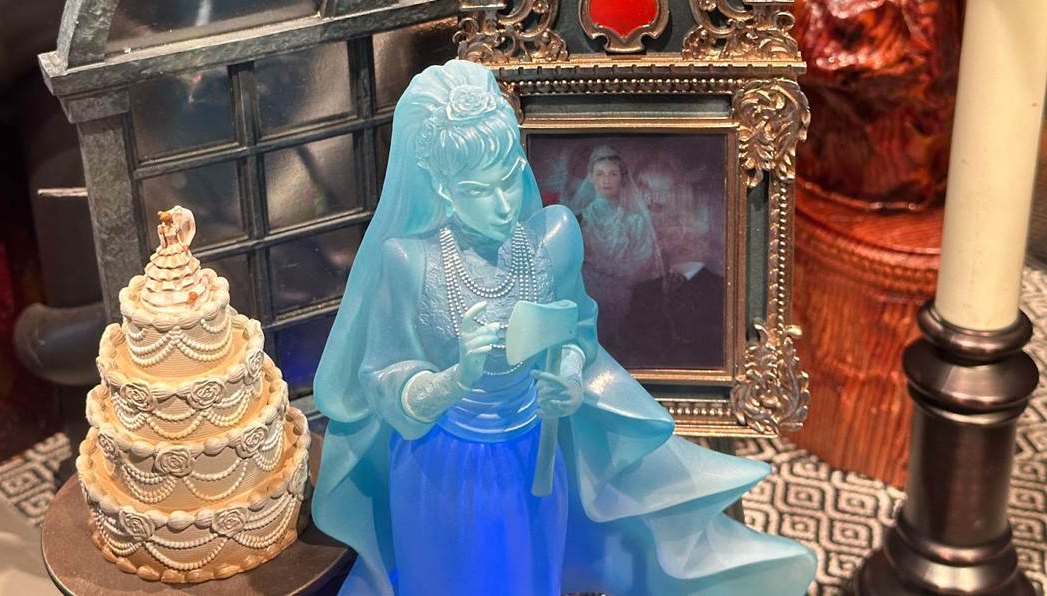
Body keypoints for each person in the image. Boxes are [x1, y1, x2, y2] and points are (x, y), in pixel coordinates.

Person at [312, 59, 815, 595]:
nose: (504, 204)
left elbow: (577, 331)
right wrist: (455, 379)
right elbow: (383, 375)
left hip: (533, 453)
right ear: (442, 187)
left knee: (528, 574)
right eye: (480, 191)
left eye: (510, 178)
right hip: (443, 466)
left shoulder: (552, 239)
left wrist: (570, 379)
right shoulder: (410, 262)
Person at [570, 145, 665, 355]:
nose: (606, 180)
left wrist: (615, 274)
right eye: (600, 174)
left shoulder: (635, 222)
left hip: (627, 298)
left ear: (622, 178)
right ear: (591, 178)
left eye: (613, 174)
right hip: (588, 299)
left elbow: (643, 261)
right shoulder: (579, 221)